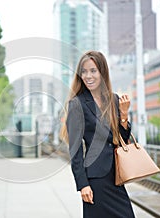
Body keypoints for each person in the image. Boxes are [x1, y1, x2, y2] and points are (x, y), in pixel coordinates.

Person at [60, 50, 135, 217]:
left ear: (102, 72)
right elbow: (75, 150)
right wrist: (82, 185)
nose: (88, 76)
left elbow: (122, 141)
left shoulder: (113, 100)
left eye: (93, 71)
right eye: (84, 71)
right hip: (95, 180)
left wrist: (123, 116)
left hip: (116, 177)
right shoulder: (77, 104)